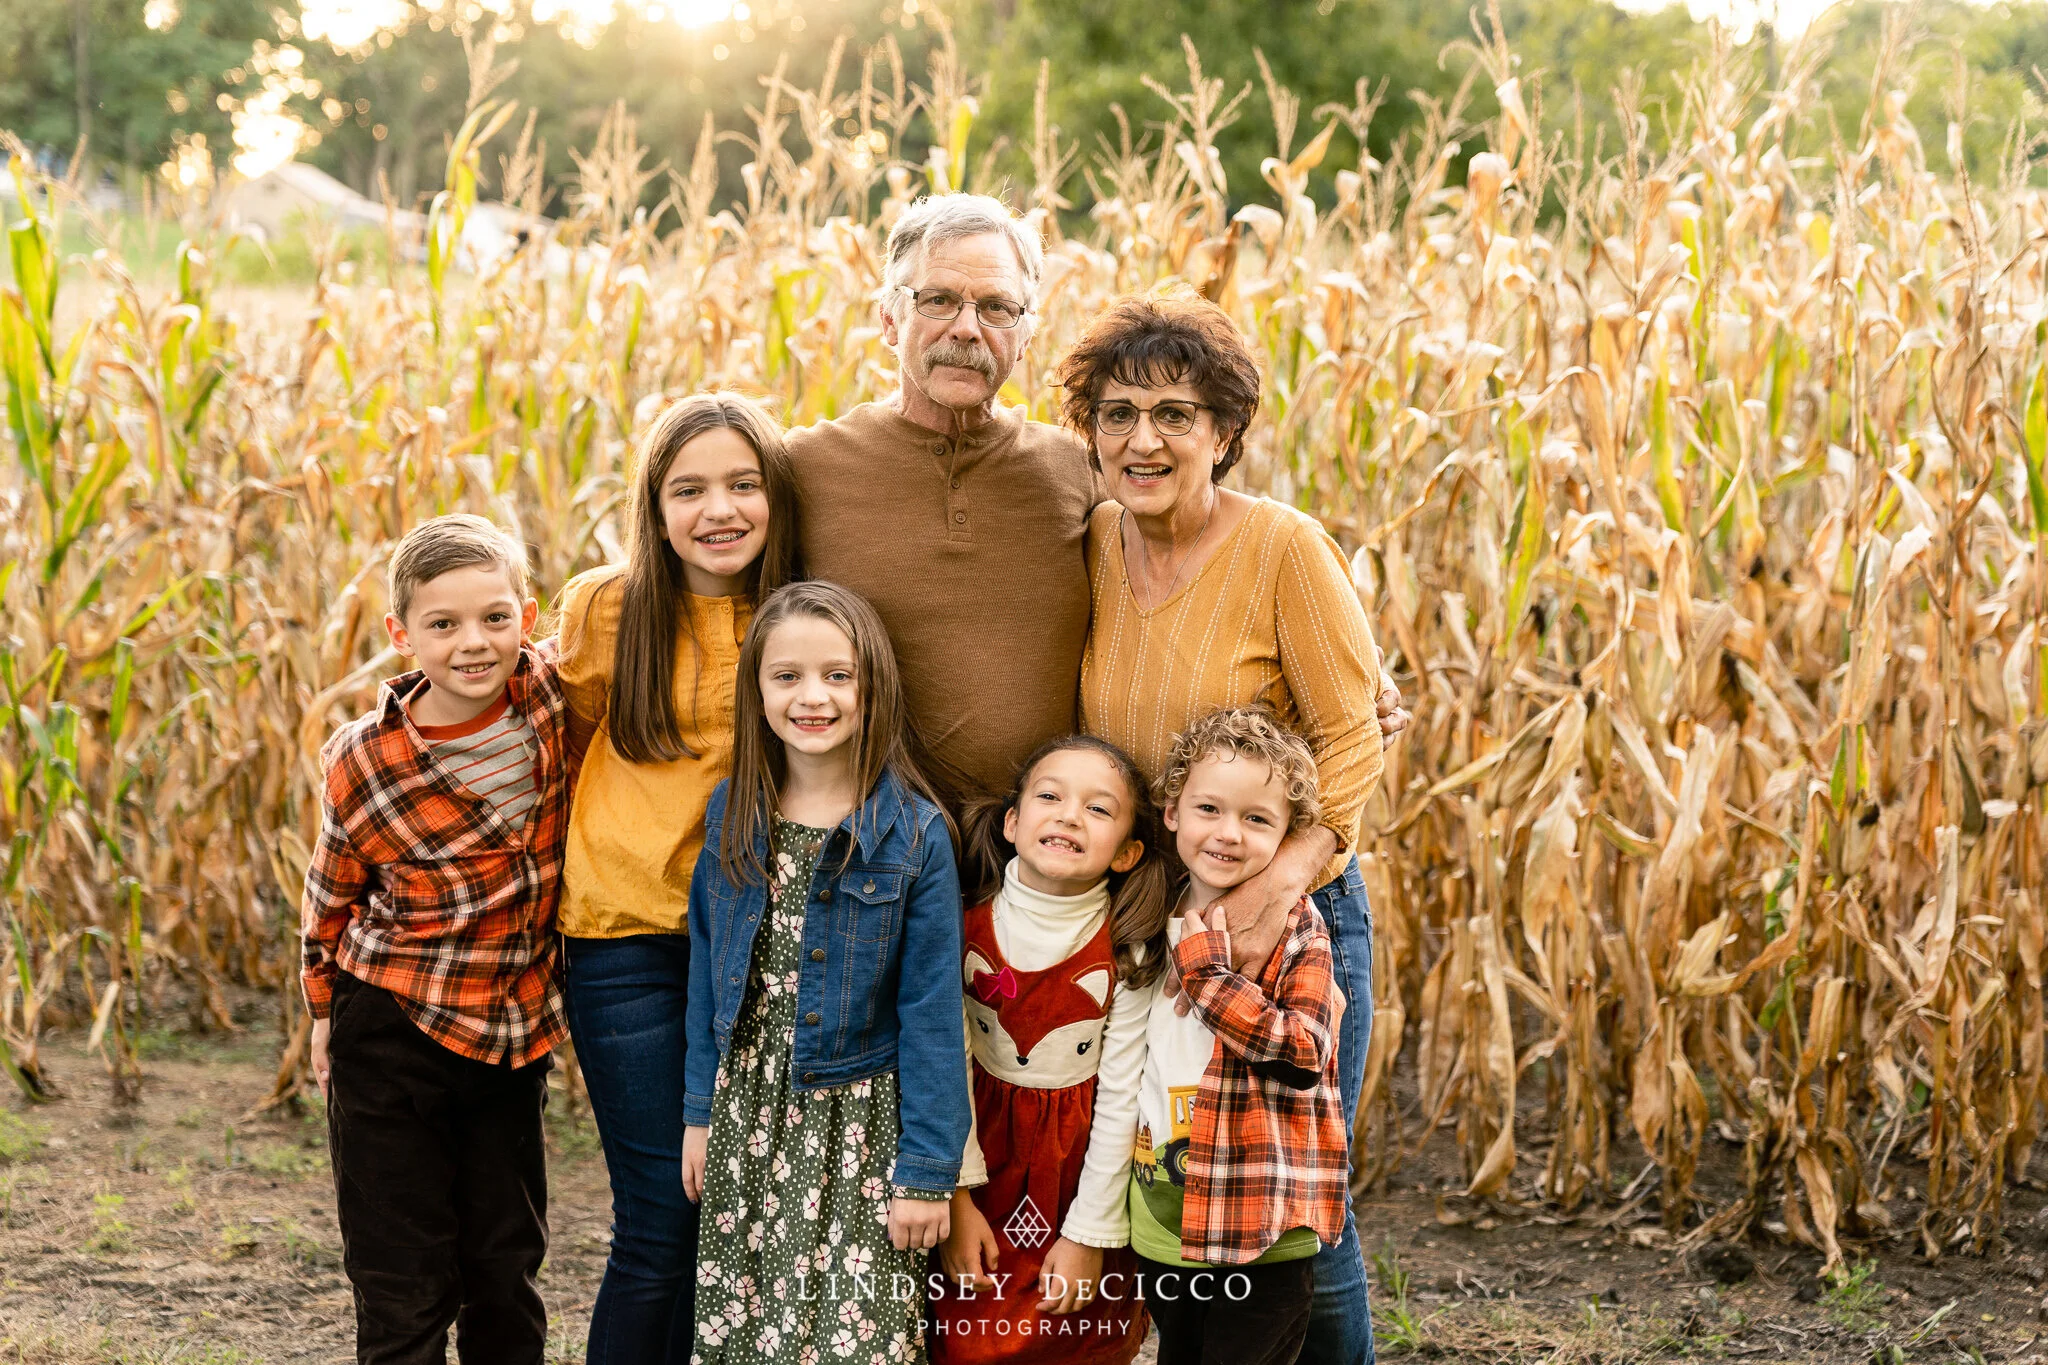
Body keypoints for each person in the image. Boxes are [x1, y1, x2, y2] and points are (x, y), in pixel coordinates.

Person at [789, 192, 1409, 815]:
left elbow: (1198, 536)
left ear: (1025, 336)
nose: (967, 328)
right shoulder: (804, 468)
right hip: (876, 848)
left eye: (997, 307)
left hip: (1048, 847)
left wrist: (1349, 679)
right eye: (939, 300)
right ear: (889, 320)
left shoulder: (1077, 469)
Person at [1058, 288, 1386, 1365]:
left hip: (1288, 923)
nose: (1141, 439)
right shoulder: (1094, 541)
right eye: (1116, 414)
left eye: (1173, 414)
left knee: (1295, 1215)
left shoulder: (1284, 547)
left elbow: (1352, 735)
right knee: (1180, 1177)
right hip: (1158, 913)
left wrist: (1277, 885)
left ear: (1225, 431)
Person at [552, 394, 801, 1365]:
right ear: (654, 508)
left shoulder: (798, 617)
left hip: (755, 942)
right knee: (663, 1213)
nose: (719, 509)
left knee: (735, 1212)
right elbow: (566, 744)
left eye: (743, 484)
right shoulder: (606, 610)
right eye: (689, 489)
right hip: (626, 936)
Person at [302, 513, 569, 1365]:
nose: (472, 642)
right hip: (391, 1029)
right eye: (443, 624)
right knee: (402, 1277)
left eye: (494, 617)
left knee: (505, 1266)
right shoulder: (365, 757)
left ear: (528, 618)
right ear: (401, 633)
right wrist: (322, 1011)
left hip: (509, 1037)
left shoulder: (555, 700)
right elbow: (331, 895)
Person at [681, 581, 971, 1363]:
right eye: (788, 676)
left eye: (838, 675)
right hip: (747, 1113)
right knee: (746, 1331)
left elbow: (933, 1017)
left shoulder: (914, 836)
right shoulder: (734, 812)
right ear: (758, 690)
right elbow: (707, 976)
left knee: (860, 1337)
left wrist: (926, 1173)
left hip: (859, 1130)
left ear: (874, 686)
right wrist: (699, 1112)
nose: (814, 696)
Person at [930, 736, 1172, 1363]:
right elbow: (944, 1067)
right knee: (969, 1334)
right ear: (1012, 823)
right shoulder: (958, 924)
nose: (1069, 816)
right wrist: (955, 1198)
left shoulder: (1128, 950)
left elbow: (1122, 1097)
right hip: (978, 1160)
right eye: (1050, 797)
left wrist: (1089, 1233)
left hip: (1082, 1171)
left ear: (1128, 852)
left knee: (1078, 1332)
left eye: (1098, 808)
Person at [1132, 708, 1348, 1365]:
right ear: (1172, 812)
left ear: (1287, 835)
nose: (1228, 833)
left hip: (1258, 1230)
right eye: (1209, 809)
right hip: (1165, 1224)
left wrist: (1206, 975)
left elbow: (1305, 1051)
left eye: (1257, 819)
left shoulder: (1296, 928)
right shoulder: (1149, 913)